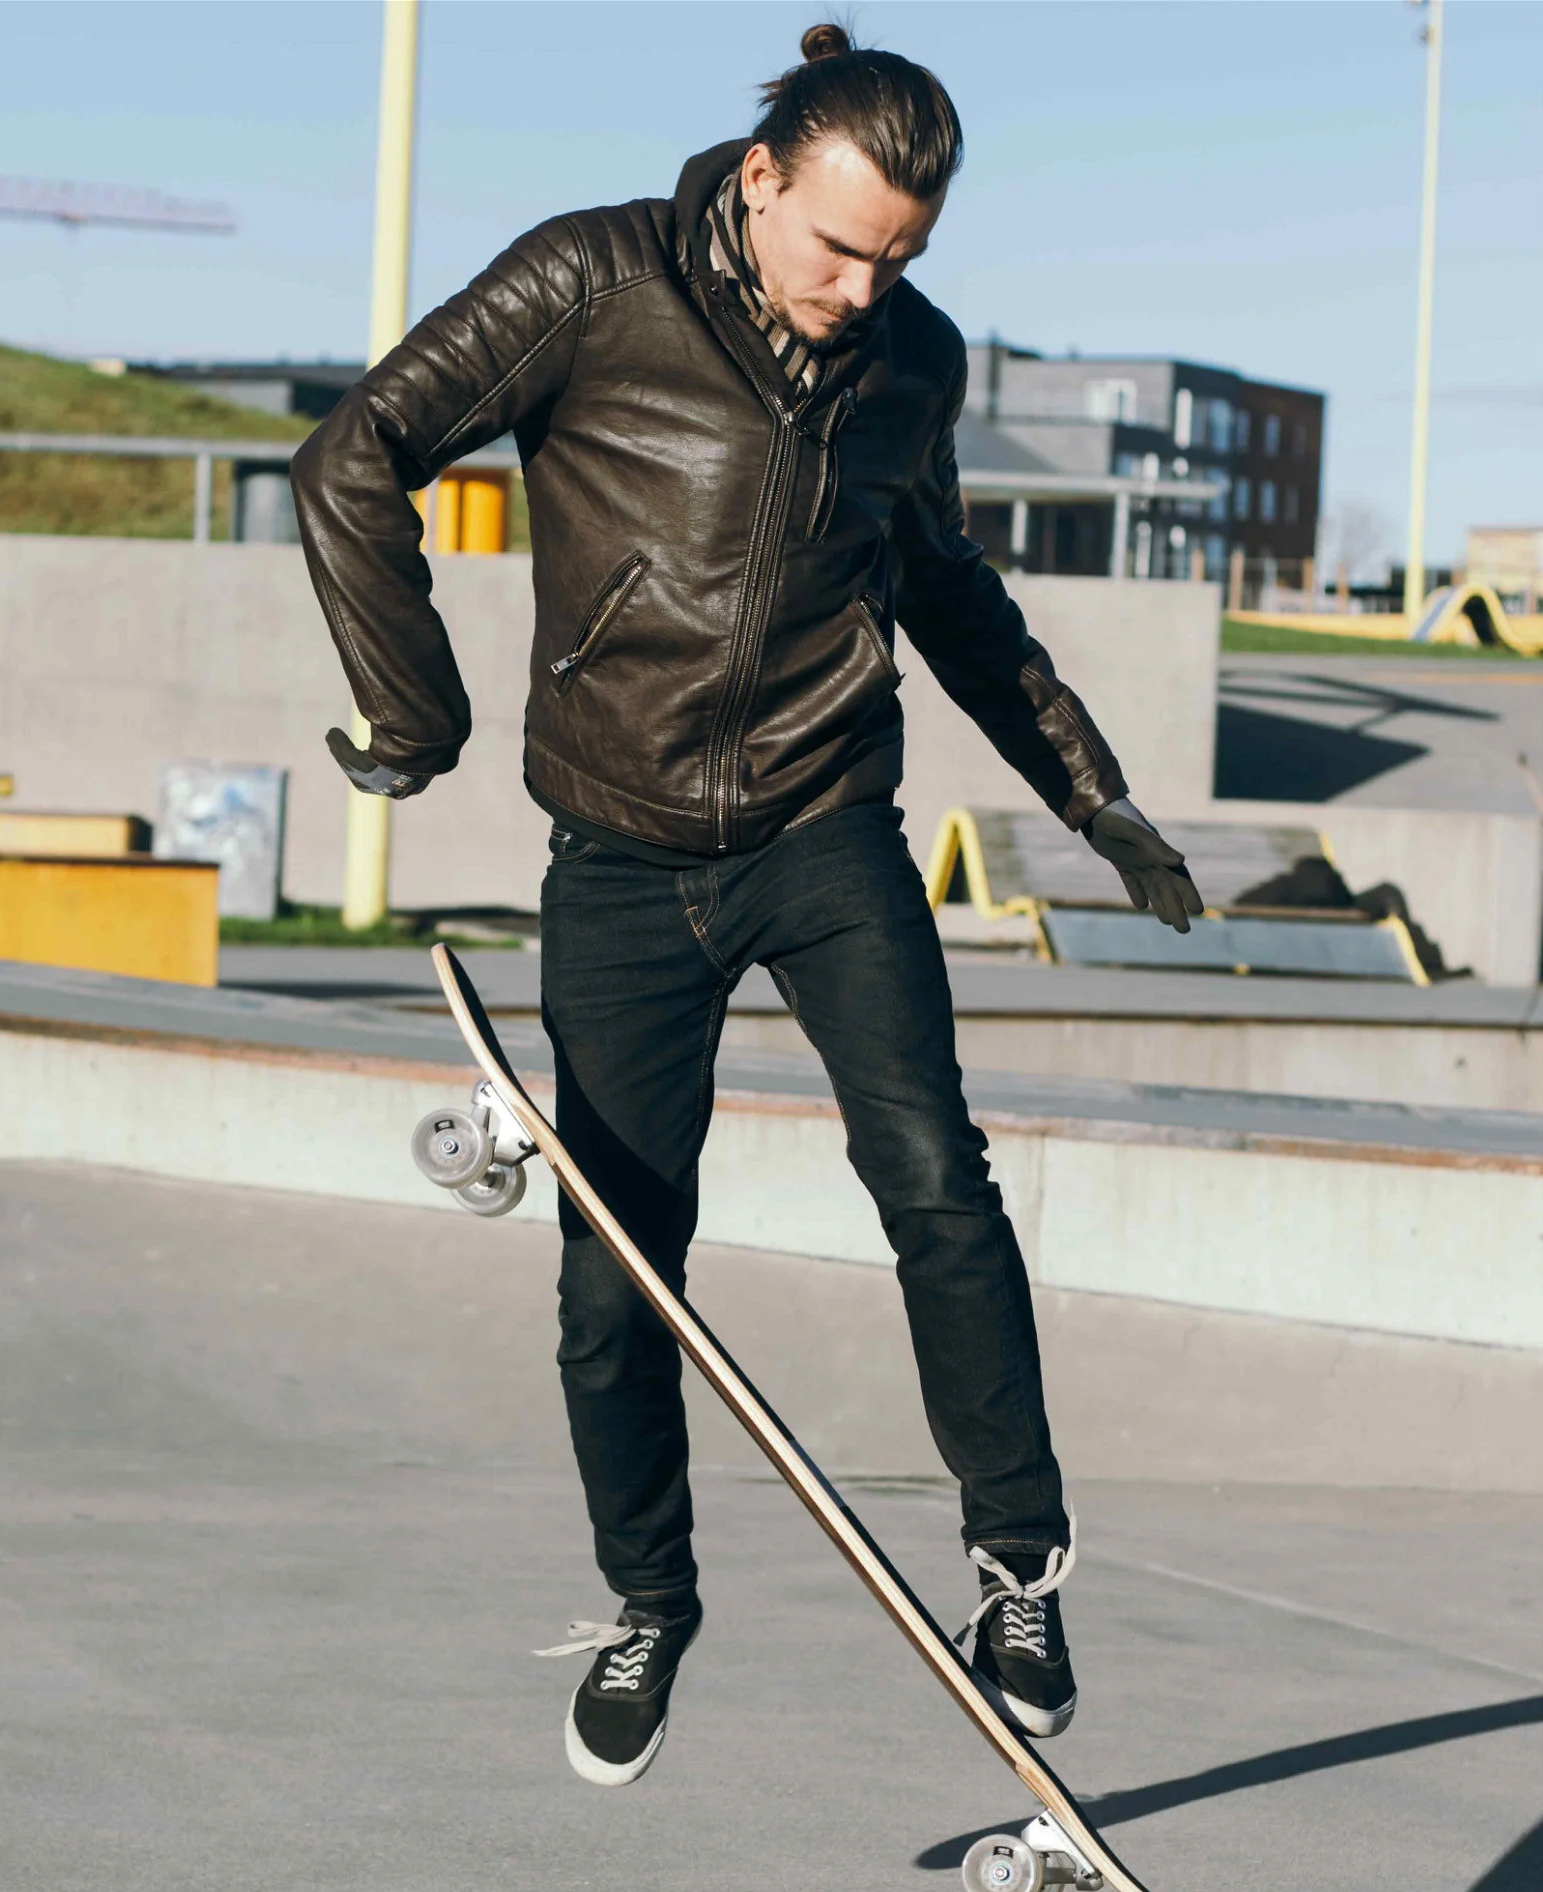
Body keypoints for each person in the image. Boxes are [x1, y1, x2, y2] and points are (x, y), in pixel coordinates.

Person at [293, 22, 1203, 1789]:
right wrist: (417, 711)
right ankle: (649, 1600)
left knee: (935, 1177)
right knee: (616, 1273)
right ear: (764, 176)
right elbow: (360, 449)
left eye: (899, 262)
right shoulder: (593, 280)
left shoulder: (913, 363)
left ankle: (1019, 1573)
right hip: (620, 856)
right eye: (840, 249)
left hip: (823, 825)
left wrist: (1092, 797)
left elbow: (951, 594)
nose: (862, 293)